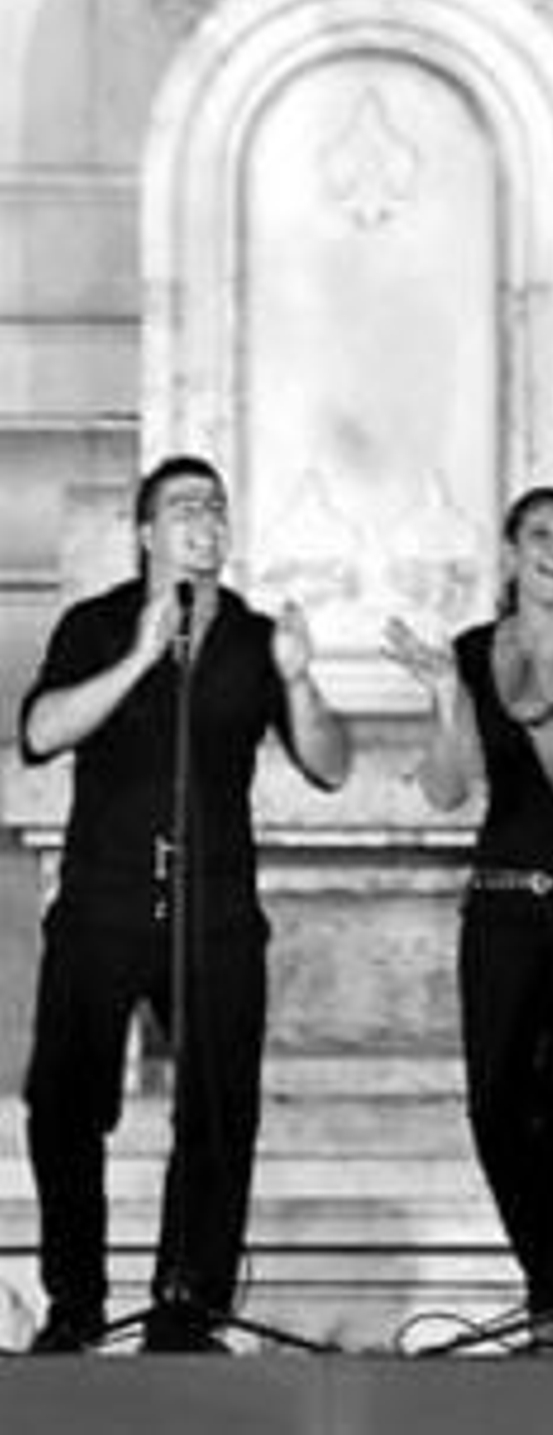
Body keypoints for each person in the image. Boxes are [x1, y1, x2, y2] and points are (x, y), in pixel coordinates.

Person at [18, 454, 352, 1354]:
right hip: (103, 898)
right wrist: (138, 655)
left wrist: (299, 679)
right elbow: (40, 733)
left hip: (215, 909)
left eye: (216, 507)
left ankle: (186, 1306)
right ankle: (75, 1302)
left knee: (217, 1109)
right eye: (183, 507)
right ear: (145, 533)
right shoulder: (96, 624)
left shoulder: (253, 636)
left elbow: (330, 765)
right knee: (64, 1105)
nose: (204, 520)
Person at [384, 486, 553, 1346]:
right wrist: (445, 696)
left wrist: (535, 710)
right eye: (539, 534)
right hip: (504, 903)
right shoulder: (471, 651)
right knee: (496, 1103)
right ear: (509, 551)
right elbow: (444, 789)